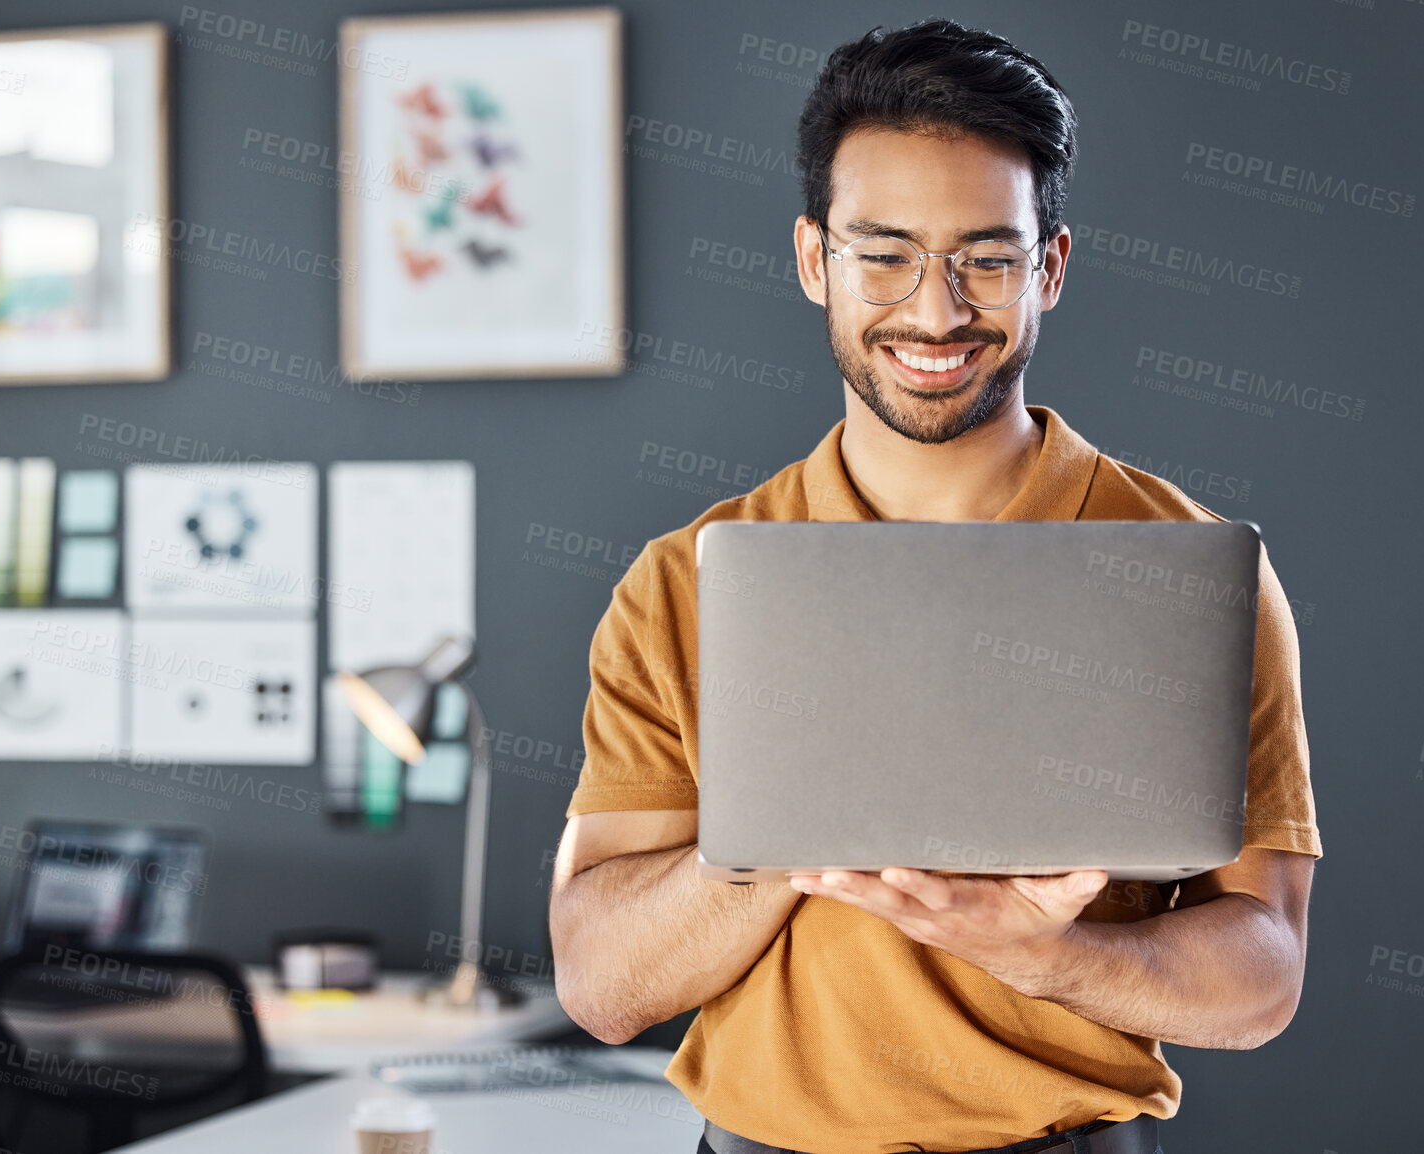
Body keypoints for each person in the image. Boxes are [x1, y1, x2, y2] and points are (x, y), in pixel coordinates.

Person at [548, 17, 1319, 1154]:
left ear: (1048, 268)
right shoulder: (684, 583)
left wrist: (1039, 950)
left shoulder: (1193, 569)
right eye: (886, 253)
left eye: (986, 258)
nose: (937, 309)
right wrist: (793, 837)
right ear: (816, 259)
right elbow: (601, 984)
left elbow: (1262, 978)